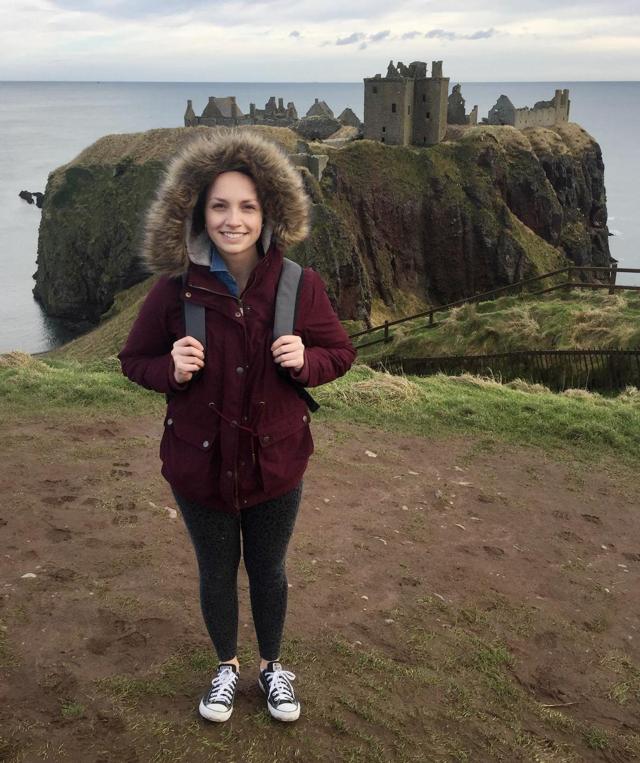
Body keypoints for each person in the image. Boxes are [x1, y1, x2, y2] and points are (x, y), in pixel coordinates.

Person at [118, 129, 356, 723]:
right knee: (217, 572)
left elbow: (340, 353)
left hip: (276, 461)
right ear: (199, 212)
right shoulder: (174, 289)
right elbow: (133, 360)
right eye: (219, 206)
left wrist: (308, 361)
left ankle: (273, 667)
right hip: (198, 464)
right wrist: (169, 370)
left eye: (247, 206)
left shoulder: (300, 284)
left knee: (269, 570)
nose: (233, 219)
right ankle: (226, 667)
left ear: (268, 212)